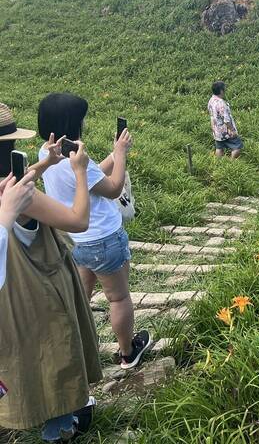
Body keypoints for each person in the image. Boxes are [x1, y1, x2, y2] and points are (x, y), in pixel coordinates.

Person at [0, 102, 102, 442]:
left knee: (20, 358)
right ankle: (60, 429)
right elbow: (78, 220)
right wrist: (80, 172)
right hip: (36, 294)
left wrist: (45, 163)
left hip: (7, 294)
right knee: (52, 356)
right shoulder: (20, 197)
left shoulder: (10, 193)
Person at [37, 93, 152, 370]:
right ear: (72, 123)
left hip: (75, 239)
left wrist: (113, 154)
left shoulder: (47, 153)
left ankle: (80, 352)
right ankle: (127, 353)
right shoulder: (74, 161)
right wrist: (123, 155)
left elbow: (91, 179)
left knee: (81, 300)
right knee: (118, 297)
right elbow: (112, 188)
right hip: (103, 237)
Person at [208, 81, 243, 159]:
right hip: (226, 131)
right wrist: (232, 130)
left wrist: (213, 128)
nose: (225, 90)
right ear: (221, 91)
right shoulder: (221, 103)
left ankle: (219, 164)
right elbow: (226, 120)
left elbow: (211, 115)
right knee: (237, 147)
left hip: (217, 130)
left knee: (219, 148)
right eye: (224, 89)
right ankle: (231, 164)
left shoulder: (211, 100)